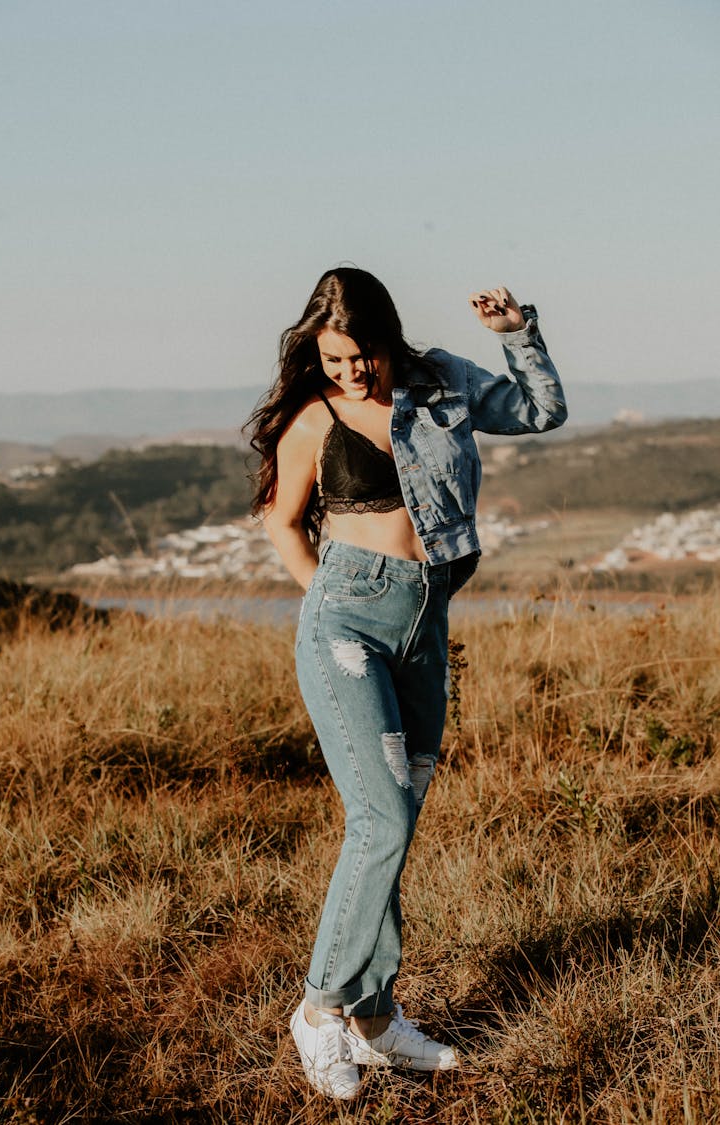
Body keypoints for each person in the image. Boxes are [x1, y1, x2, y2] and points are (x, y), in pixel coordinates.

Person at [247, 267, 567, 1099]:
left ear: (389, 338)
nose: (352, 372)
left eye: (363, 356)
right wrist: (333, 606)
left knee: (398, 820)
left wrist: (516, 333)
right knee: (380, 817)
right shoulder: (314, 417)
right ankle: (320, 1010)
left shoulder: (441, 382)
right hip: (348, 624)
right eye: (334, 359)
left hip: (427, 624)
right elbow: (283, 523)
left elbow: (540, 411)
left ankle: (376, 1017)